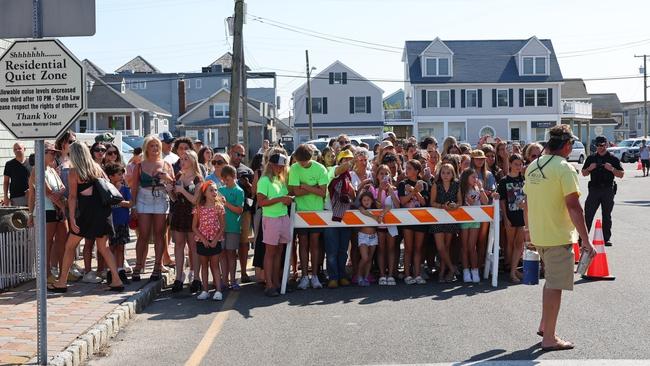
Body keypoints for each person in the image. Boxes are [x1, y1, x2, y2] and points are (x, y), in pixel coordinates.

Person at [524, 125, 595, 352]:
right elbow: (574, 206)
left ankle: (545, 327)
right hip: (557, 235)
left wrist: (528, 230)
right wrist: (586, 239)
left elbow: (526, 202)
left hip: (540, 234)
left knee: (551, 283)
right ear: (566, 145)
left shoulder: (533, 165)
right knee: (555, 286)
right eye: (571, 144)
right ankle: (550, 338)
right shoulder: (565, 168)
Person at [49, 142, 124, 293]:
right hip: (103, 212)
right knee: (104, 247)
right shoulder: (97, 168)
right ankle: (116, 280)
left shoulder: (74, 172)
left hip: (86, 213)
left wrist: (72, 218)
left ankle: (62, 282)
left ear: (74, 155)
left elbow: (72, 197)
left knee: (70, 247)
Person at [131, 135, 175, 282]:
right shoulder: (140, 165)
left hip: (161, 198)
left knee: (159, 234)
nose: (155, 148)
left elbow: (174, 185)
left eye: (157, 145)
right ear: (146, 148)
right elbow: (134, 187)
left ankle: (157, 266)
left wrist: (167, 178)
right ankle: (138, 266)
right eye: (152, 145)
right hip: (143, 198)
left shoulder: (166, 164)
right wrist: (133, 206)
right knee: (143, 235)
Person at [289, 144, 329, 290]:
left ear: (311, 157)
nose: (302, 164)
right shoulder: (294, 168)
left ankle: (315, 275)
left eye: (304, 161)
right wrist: (314, 188)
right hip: (301, 212)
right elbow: (295, 192)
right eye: (300, 161)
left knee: (315, 244)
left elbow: (322, 192)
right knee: (303, 244)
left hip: (317, 212)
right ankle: (304, 276)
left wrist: (304, 186)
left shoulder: (320, 168)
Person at [27, 142, 67, 283]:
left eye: (55, 153)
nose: (54, 155)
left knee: (63, 240)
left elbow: (61, 188)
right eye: (51, 152)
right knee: (47, 243)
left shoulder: (51, 169)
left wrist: (59, 200)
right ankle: (46, 274)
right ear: (41, 153)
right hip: (46, 210)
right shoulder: (35, 170)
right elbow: (46, 192)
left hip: (57, 209)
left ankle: (64, 272)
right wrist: (62, 205)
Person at [256, 151, 293, 297]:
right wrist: (281, 199)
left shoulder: (280, 179)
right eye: (278, 166)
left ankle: (277, 282)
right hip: (271, 219)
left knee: (278, 252)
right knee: (270, 252)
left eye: (282, 167)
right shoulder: (264, 181)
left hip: (283, 217)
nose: (281, 168)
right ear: (271, 165)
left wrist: (286, 199)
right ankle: (269, 284)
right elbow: (261, 202)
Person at [169, 150, 203, 293]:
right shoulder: (178, 176)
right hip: (179, 214)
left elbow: (195, 200)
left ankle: (196, 277)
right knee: (179, 246)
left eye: (186, 159)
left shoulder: (198, 178)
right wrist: (169, 191)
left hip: (193, 215)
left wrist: (182, 190)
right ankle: (179, 277)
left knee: (193, 248)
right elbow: (175, 199)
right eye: (181, 159)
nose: (182, 162)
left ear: (193, 161)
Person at [581, 136, 624, 246]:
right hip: (594, 190)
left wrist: (612, 169)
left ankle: (606, 239)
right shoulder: (591, 158)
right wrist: (589, 168)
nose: (601, 147)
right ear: (596, 146)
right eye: (599, 145)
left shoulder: (613, 158)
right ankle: (583, 239)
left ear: (607, 145)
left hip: (607, 190)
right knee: (588, 215)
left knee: (607, 215)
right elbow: (584, 173)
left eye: (603, 145)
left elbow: (621, 174)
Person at [323, 150, 356, 289]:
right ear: (339, 161)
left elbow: (353, 196)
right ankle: (333, 277)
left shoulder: (350, 176)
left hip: (346, 215)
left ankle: (342, 275)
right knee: (331, 250)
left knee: (343, 249)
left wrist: (350, 188)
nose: (348, 162)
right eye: (345, 159)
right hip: (330, 215)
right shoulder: (331, 170)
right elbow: (339, 170)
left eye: (350, 159)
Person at [365, 164, 399, 286]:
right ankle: (382, 274)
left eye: (386, 173)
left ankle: (390, 274)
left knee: (391, 249)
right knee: (381, 249)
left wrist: (391, 192)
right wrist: (380, 190)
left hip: (391, 225)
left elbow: (398, 205)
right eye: (381, 174)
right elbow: (377, 206)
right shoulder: (372, 189)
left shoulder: (394, 189)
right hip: (379, 225)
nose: (384, 176)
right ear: (377, 176)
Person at [397, 159, 429, 285]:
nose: (407, 170)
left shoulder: (424, 184)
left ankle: (417, 274)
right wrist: (413, 192)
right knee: (408, 248)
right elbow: (403, 201)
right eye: (406, 167)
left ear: (417, 171)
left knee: (418, 248)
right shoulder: (403, 184)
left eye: (410, 168)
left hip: (421, 219)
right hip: (407, 219)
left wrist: (416, 191)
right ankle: (407, 274)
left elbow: (424, 202)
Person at [192, 181, 225, 301]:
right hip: (202, 241)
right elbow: (194, 227)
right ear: (204, 193)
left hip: (215, 240)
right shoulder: (198, 208)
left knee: (215, 266)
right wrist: (203, 239)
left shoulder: (219, 207)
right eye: (211, 190)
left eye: (216, 190)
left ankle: (218, 291)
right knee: (204, 266)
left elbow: (222, 226)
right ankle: (205, 290)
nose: (214, 192)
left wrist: (215, 240)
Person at [429, 163, 461, 283]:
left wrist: (454, 206)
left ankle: (442, 273)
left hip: (451, 219)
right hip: (438, 219)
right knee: (440, 247)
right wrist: (443, 206)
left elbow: (460, 201)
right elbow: (431, 202)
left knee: (447, 247)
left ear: (453, 174)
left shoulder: (456, 185)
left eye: (448, 173)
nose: (445, 175)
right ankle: (452, 269)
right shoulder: (436, 185)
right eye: (443, 173)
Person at [498, 154, 527, 283]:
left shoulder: (524, 180)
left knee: (519, 244)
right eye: (516, 164)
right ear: (510, 164)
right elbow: (502, 201)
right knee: (510, 243)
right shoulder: (504, 181)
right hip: (510, 215)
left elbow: (529, 195)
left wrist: (525, 203)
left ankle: (514, 270)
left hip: (522, 215)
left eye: (520, 164)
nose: (518, 167)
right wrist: (505, 218)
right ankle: (511, 268)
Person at [229, 144, 255, 283]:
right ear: (230, 152)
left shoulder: (247, 171)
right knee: (228, 244)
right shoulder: (223, 167)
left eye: (242, 155)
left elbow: (253, 193)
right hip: (226, 211)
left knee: (243, 243)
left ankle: (244, 272)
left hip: (244, 211)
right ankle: (229, 275)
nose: (240, 157)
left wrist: (248, 185)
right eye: (237, 154)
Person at [459, 168, 489, 283]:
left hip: (475, 220)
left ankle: (475, 270)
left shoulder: (477, 189)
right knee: (465, 247)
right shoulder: (463, 190)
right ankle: (466, 271)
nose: (475, 179)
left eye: (476, 177)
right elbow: (469, 202)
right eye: (473, 177)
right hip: (464, 220)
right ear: (466, 178)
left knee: (472, 247)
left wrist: (481, 189)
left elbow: (485, 202)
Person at [104, 162, 132, 285]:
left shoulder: (125, 189)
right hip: (110, 223)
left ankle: (120, 270)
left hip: (122, 222)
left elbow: (130, 203)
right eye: (118, 174)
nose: (121, 176)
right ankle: (111, 271)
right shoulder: (105, 189)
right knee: (110, 248)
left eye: (122, 174)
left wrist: (119, 202)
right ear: (110, 176)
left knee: (121, 247)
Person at [218, 165, 245, 290]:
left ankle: (233, 280)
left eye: (228, 180)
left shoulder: (239, 191)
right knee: (222, 254)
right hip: (221, 227)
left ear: (234, 177)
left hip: (233, 227)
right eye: (224, 180)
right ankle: (224, 280)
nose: (225, 182)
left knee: (231, 254)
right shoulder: (221, 190)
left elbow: (239, 210)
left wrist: (226, 203)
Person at [356, 191, 379, 286]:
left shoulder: (376, 207)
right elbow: (363, 211)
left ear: (372, 200)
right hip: (363, 236)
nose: (366, 202)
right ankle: (359, 276)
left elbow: (388, 206)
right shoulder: (361, 208)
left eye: (368, 200)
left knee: (369, 258)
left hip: (373, 236)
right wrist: (374, 217)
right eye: (364, 200)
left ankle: (366, 277)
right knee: (364, 257)